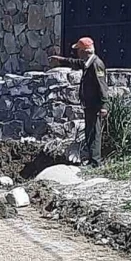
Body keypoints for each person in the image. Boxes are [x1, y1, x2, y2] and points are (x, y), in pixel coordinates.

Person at [49, 37, 108, 167]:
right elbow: (76, 63)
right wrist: (61, 60)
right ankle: (91, 159)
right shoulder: (87, 63)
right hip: (89, 104)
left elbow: (102, 85)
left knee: (94, 133)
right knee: (89, 131)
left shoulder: (96, 64)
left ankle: (96, 162)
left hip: (95, 105)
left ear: (84, 51)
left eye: (78, 50)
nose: (77, 53)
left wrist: (104, 105)